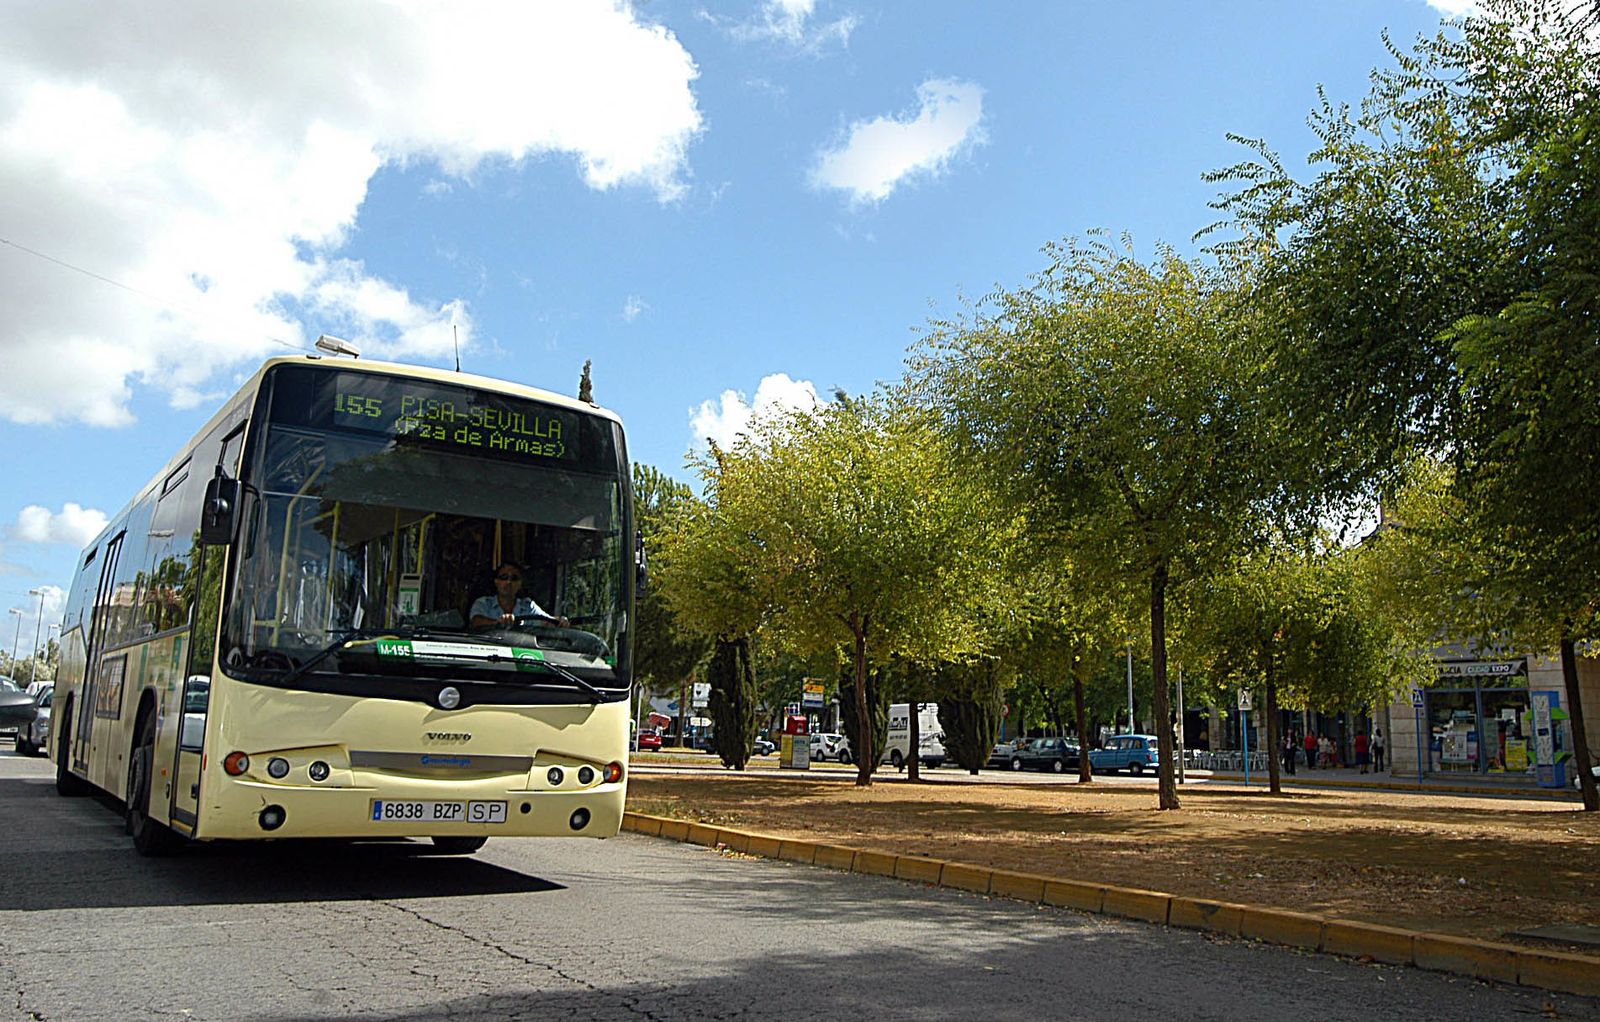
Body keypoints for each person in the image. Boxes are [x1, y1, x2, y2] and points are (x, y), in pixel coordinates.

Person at [470, 562, 569, 630]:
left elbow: (546, 621)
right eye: (504, 577)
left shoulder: (528, 606)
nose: (508, 582)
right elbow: (476, 622)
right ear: (496, 581)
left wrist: (559, 621)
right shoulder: (483, 603)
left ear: (520, 583)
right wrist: (498, 623)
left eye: (514, 578)